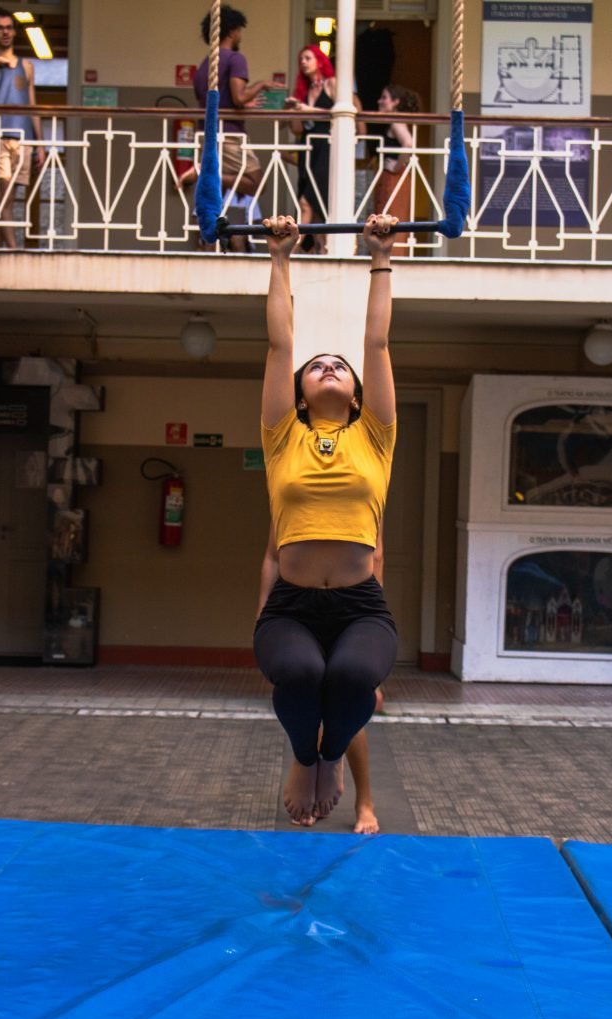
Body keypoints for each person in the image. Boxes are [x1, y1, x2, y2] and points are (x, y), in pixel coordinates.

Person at [253, 212, 399, 824]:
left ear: (358, 394)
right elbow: (280, 344)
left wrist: (380, 255)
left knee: (354, 677)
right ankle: (302, 756)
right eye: (317, 366)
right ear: (299, 393)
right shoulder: (281, 436)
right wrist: (279, 257)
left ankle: (332, 754)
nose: (330, 366)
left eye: (340, 365)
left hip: (360, 605)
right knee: (302, 670)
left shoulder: (376, 436)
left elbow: (377, 344)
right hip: (293, 605)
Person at [258, 524, 386, 833]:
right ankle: (314, 784)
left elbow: (377, 558)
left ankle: (364, 802)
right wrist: (262, 621)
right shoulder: (293, 500)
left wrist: (374, 640)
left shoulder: (361, 500)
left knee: (345, 709)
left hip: (353, 611)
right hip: (300, 612)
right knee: (310, 701)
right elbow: (272, 556)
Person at [0, 7, 45, 250]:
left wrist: (40, 145)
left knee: (10, 198)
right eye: (0, 28)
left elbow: (32, 106)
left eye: (9, 28)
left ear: (14, 32)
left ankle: (0, 251)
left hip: (21, 138)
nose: (5, 32)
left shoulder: (27, 66)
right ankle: (14, 251)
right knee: (4, 196)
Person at [191, 6, 279, 202]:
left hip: (206, 132)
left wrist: (241, 106)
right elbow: (239, 96)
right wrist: (261, 85)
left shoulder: (206, 63)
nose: (240, 36)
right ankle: (204, 175)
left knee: (217, 197)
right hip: (228, 134)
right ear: (232, 31)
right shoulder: (235, 58)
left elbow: (216, 99)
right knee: (257, 183)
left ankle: (210, 219)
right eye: (239, 30)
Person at [286, 46, 365, 255]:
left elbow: (341, 113)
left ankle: (290, 250)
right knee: (316, 209)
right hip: (309, 149)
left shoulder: (332, 83)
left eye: (308, 58)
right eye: (301, 59)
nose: (303, 62)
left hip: (327, 149)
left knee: (307, 202)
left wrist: (308, 110)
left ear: (320, 61)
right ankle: (320, 250)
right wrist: (294, 111)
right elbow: (297, 129)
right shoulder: (304, 91)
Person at [373, 86, 420, 253]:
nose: (380, 101)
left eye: (384, 97)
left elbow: (408, 143)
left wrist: (396, 165)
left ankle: (391, 258)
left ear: (395, 102)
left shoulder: (396, 121)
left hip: (395, 179)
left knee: (391, 220)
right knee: (387, 221)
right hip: (393, 178)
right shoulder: (394, 121)